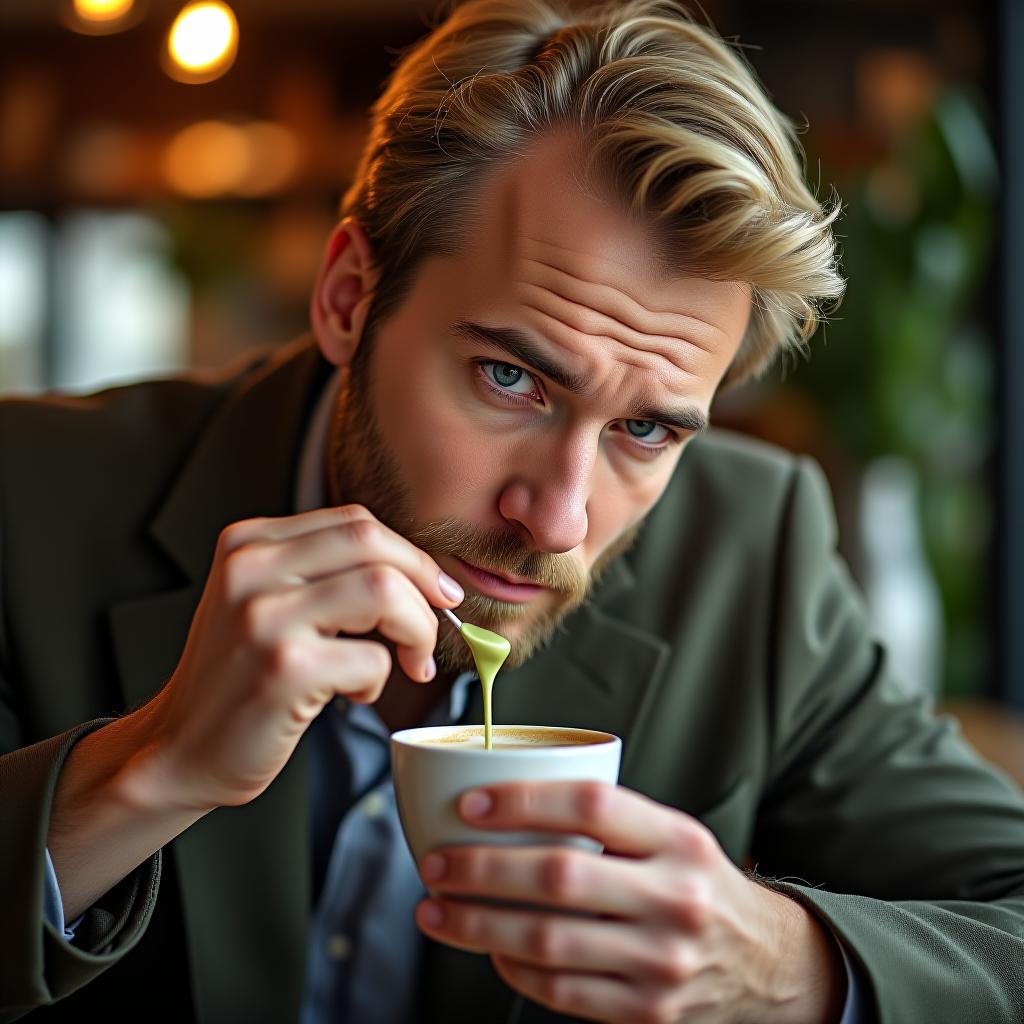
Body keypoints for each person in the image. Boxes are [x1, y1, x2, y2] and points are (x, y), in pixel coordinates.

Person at [2, 0, 1023, 1021]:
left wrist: (791, 966)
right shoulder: (28, 495)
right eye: (509, 377)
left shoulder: (751, 552)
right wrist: (148, 769)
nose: (560, 521)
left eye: (648, 432)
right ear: (350, 296)